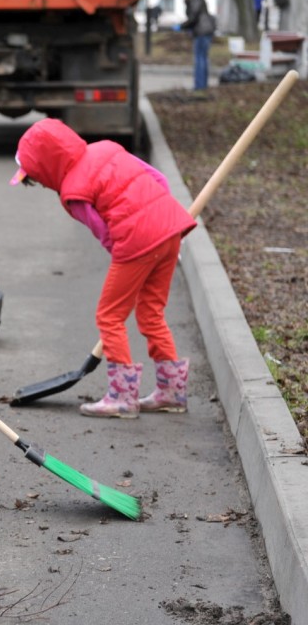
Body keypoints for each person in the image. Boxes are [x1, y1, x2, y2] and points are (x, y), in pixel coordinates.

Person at [10, 118, 196, 419]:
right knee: (151, 312)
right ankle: (172, 392)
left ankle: (122, 397)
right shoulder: (106, 147)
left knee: (110, 315)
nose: (42, 183)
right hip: (171, 227)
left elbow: (105, 233)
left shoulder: (73, 191)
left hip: (138, 242)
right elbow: (158, 179)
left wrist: (127, 260)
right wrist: (162, 222)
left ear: (48, 166)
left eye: (37, 177)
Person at [179, 0, 216, 91]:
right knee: (203, 58)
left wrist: (182, 26)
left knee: (199, 59)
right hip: (205, 30)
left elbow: (193, 18)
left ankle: (199, 86)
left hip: (201, 31)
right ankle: (202, 85)